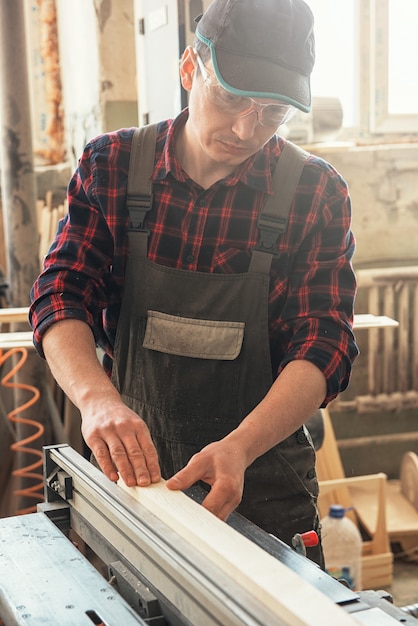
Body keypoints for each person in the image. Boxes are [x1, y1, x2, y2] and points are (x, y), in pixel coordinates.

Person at [29, 0, 358, 566]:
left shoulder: (315, 192)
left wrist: (239, 447)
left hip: (261, 476)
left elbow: (323, 343)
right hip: (135, 474)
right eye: (231, 97)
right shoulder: (109, 166)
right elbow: (61, 293)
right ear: (190, 69)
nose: (244, 129)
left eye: (273, 112)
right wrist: (97, 401)